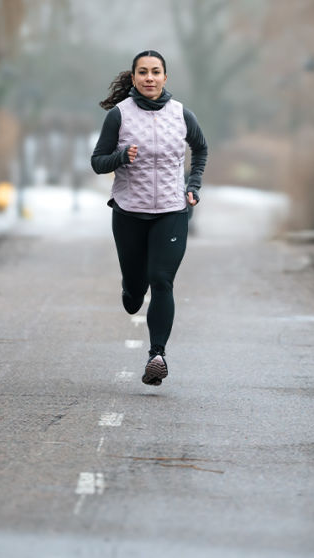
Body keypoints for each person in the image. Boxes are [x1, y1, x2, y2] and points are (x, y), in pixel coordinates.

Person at [91, 50, 208, 386]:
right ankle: (130, 289)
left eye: (156, 72)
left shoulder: (181, 114)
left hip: (171, 212)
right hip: (129, 213)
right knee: (135, 292)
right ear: (134, 77)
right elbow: (97, 161)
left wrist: (193, 185)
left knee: (162, 280)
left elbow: (200, 149)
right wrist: (120, 158)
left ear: (165, 78)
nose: (150, 78)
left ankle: (157, 355)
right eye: (143, 72)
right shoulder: (119, 115)